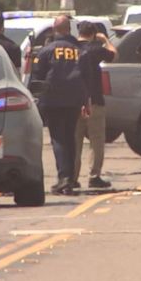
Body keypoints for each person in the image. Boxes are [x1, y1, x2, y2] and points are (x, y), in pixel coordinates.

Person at [32, 15, 90, 195]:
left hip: (53, 100)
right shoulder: (79, 50)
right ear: (69, 29)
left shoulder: (46, 50)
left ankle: (64, 178)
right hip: (73, 100)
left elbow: (36, 78)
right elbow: (87, 77)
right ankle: (70, 179)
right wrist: (85, 100)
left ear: (54, 29)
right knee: (69, 138)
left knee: (58, 139)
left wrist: (34, 99)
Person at [73, 21, 117, 189]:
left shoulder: (71, 48)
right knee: (96, 140)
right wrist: (105, 39)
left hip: (74, 102)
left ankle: (72, 177)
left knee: (74, 142)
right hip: (94, 101)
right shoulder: (95, 49)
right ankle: (94, 176)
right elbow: (114, 54)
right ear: (93, 33)